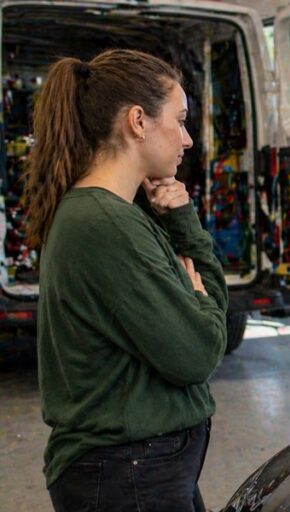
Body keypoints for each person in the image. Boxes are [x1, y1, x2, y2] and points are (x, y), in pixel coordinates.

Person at [26, 49, 227, 511]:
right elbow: (197, 351)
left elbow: (204, 311)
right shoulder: (105, 224)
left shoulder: (118, 214)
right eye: (178, 121)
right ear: (138, 121)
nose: (188, 139)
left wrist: (181, 221)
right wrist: (196, 301)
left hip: (140, 467)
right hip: (128, 472)